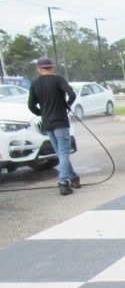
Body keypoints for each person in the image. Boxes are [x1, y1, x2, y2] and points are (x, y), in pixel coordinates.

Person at [27, 57, 80, 195]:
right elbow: (72, 95)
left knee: (60, 153)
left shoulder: (35, 83)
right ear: (52, 67)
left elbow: (31, 105)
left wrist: (41, 113)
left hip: (47, 123)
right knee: (64, 152)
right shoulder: (58, 80)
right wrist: (67, 105)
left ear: (39, 69)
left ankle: (74, 177)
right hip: (60, 121)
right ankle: (63, 182)